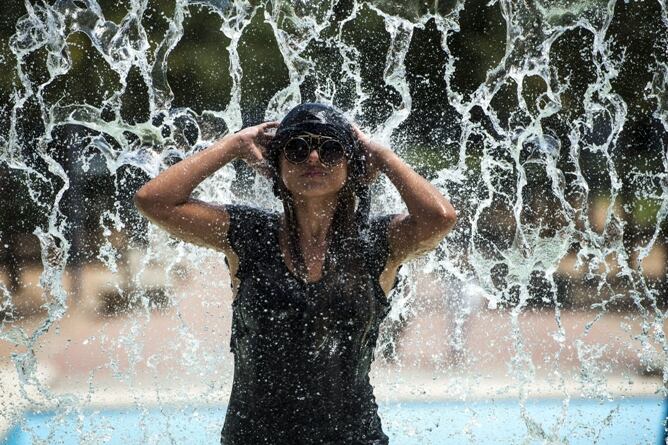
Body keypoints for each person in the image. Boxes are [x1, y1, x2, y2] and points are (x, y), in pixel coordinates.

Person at [134, 103, 456, 444]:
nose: (314, 158)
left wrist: (382, 155)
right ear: (277, 164)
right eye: (297, 149)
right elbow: (154, 201)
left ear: (352, 163)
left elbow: (440, 217)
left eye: (331, 149)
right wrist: (236, 145)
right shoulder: (248, 234)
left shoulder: (374, 243)